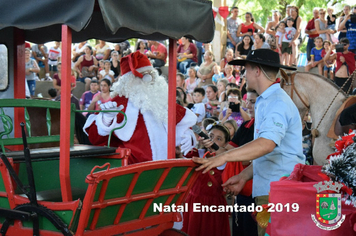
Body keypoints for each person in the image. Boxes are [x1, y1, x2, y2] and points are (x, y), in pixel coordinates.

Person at [193, 49, 304, 236]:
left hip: (278, 191)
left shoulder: (277, 102)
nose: (243, 74)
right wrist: (244, 175)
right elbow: (269, 151)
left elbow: (266, 145)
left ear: (257, 71)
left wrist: (224, 157)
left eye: (246, 70)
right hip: (272, 189)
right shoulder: (267, 100)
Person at [83, 51, 197, 164]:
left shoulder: (161, 99)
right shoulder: (120, 102)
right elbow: (95, 138)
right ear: (130, 81)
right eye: (144, 75)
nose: (150, 79)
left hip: (166, 166)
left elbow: (182, 121)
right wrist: (105, 121)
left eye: (151, 74)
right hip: (133, 168)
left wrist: (187, 135)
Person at [182, 124, 231, 236]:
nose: (213, 140)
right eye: (211, 136)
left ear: (226, 144)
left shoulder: (227, 161)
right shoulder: (195, 154)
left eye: (219, 139)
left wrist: (218, 151)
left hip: (214, 206)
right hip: (194, 203)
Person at [222, 89, 258, 236]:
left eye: (253, 102)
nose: (248, 105)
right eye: (246, 101)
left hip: (259, 193)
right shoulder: (245, 126)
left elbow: (240, 157)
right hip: (242, 191)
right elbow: (230, 150)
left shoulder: (268, 127)